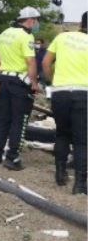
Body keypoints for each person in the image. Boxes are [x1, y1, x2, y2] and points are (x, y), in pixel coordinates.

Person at [42, 11, 88, 194]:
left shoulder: (62, 37)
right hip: (83, 93)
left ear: (80, 23)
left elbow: (46, 63)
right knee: (81, 140)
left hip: (59, 92)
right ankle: (80, 185)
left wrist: (53, 81)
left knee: (62, 134)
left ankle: (60, 175)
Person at [0, 6, 41, 170]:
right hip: (19, 83)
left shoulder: (4, 33)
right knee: (19, 120)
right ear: (30, 20)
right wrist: (34, 83)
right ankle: (13, 157)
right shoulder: (27, 36)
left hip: (3, 79)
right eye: (36, 20)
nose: (36, 24)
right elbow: (31, 62)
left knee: (3, 118)